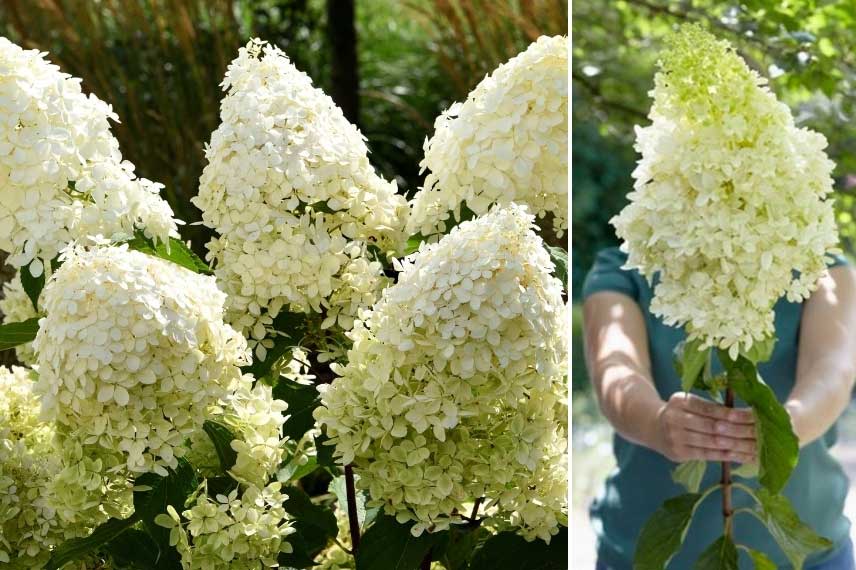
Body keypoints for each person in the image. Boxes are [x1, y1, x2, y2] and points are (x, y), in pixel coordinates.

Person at [582, 246, 856, 569]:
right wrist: (657, 424)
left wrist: (785, 428)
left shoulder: (819, 267)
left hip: (811, 560)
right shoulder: (625, 265)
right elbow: (615, 369)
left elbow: (832, 370)